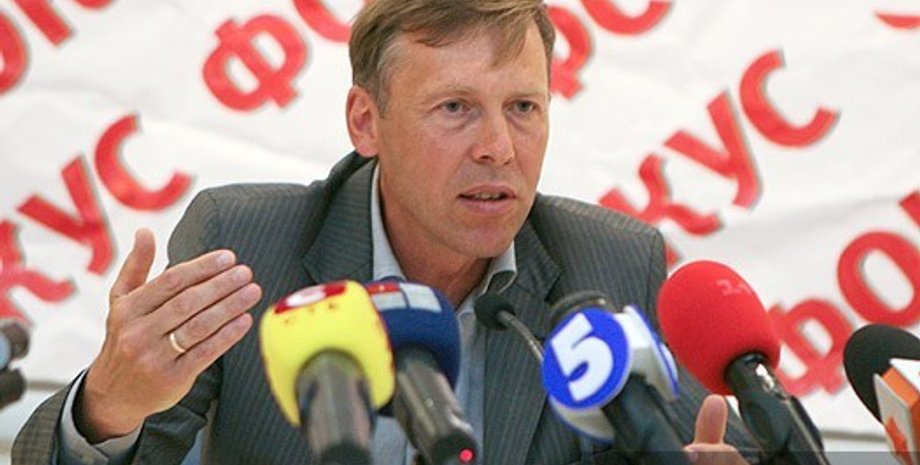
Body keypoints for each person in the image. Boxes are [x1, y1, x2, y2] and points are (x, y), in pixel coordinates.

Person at [14, 1, 760, 464]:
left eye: (523, 107)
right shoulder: (247, 248)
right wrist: (108, 405)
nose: (499, 147)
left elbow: (708, 444)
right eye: (455, 108)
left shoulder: (611, 262)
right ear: (366, 122)